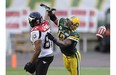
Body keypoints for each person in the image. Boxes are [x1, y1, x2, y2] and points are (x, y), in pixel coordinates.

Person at [46, 9, 81, 75]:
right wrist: (50, 13)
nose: (67, 22)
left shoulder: (74, 34)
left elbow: (64, 44)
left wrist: (53, 39)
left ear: (74, 26)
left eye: (69, 22)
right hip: (65, 55)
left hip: (73, 57)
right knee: (70, 72)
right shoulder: (62, 22)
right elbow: (54, 19)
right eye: (68, 20)